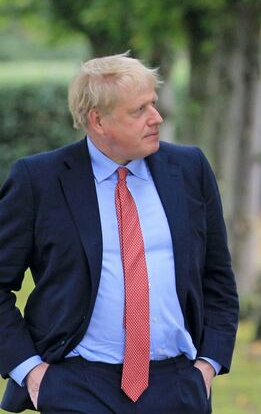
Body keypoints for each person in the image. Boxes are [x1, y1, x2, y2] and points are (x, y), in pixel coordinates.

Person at [0, 53, 239, 413]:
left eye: (154, 104)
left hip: (177, 385)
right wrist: (31, 372)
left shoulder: (189, 170)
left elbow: (217, 277)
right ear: (98, 121)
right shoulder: (38, 180)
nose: (156, 118)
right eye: (139, 110)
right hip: (77, 386)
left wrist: (208, 365)